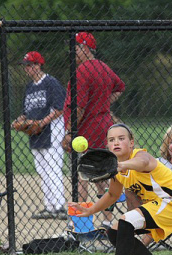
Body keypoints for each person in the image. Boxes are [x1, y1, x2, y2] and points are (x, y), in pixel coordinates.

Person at [70, 124, 172, 255]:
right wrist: (90, 210)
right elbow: (112, 195)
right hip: (162, 205)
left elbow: (144, 162)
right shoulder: (118, 168)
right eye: (112, 140)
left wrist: (122, 166)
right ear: (107, 146)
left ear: (131, 142)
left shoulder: (139, 156)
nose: (116, 142)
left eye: (121, 138)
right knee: (114, 232)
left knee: (125, 222)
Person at [61, 32, 127, 226]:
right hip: (104, 126)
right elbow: (120, 87)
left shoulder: (82, 70)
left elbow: (78, 108)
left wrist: (69, 132)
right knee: (102, 176)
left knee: (82, 176)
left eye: (75, 48)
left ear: (85, 48)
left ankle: (82, 224)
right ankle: (107, 221)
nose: (72, 52)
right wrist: (104, 103)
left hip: (86, 129)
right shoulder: (103, 68)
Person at [12, 51, 67, 219]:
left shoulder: (51, 83)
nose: (26, 69)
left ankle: (59, 207)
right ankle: (49, 206)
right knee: (42, 170)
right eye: (25, 66)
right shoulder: (29, 88)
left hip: (53, 131)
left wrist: (41, 123)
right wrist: (18, 121)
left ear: (38, 65)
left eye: (29, 65)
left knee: (53, 168)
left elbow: (60, 108)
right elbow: (26, 112)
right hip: (36, 134)